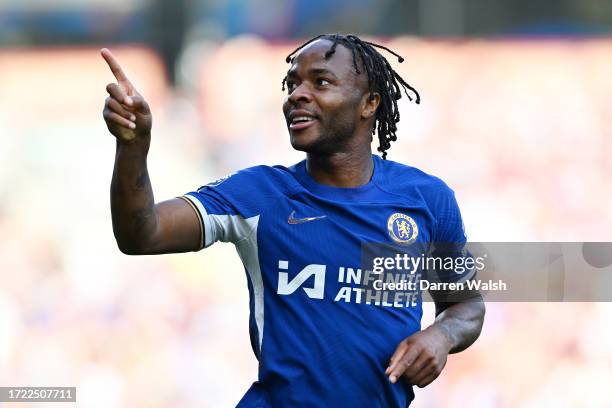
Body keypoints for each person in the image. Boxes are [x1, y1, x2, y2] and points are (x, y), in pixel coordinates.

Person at [101, 33, 485, 407]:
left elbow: (467, 305)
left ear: (369, 103)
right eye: (292, 84)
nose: (297, 95)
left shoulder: (427, 199)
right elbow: (142, 234)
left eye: (321, 81)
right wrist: (133, 147)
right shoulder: (258, 194)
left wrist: (441, 335)